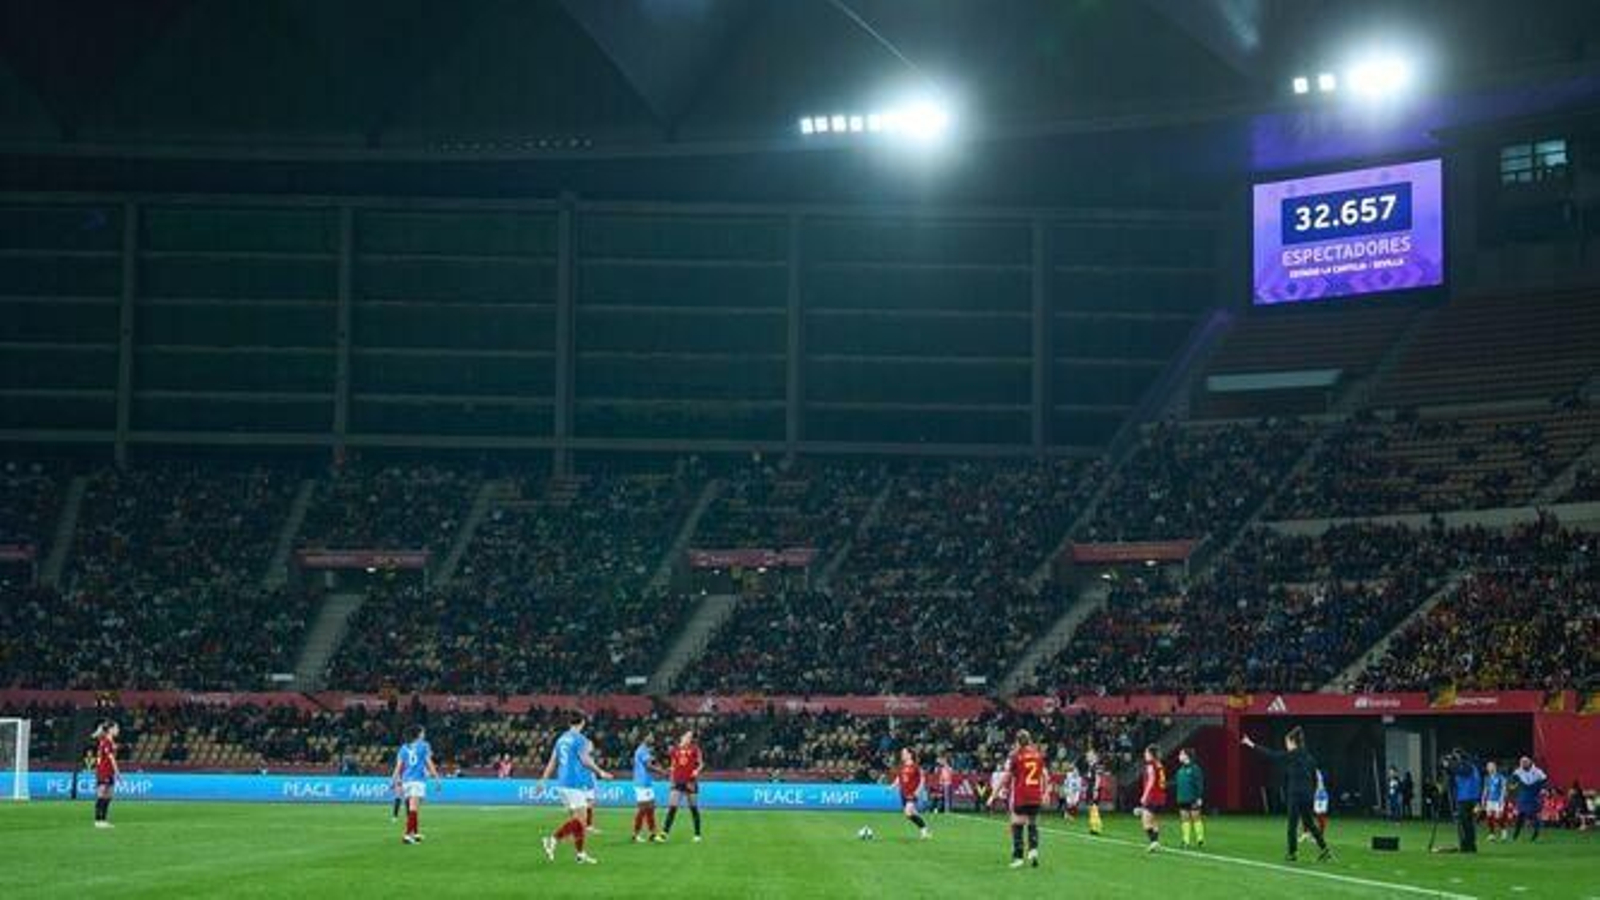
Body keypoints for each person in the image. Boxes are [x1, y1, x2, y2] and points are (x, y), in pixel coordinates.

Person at [1242, 727, 1331, 862]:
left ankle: (1292, 853)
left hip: (1295, 794)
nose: (1286, 745)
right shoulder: (1309, 757)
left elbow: (1272, 755)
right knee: (1310, 824)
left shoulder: (1293, 755)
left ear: (1292, 742)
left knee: (1292, 825)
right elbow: (1314, 776)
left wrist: (1251, 744)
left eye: (1287, 743)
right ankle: (1325, 850)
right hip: (1308, 795)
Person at [540, 714, 612, 865]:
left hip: (562, 783)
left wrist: (543, 781)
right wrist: (600, 772)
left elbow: (553, 761)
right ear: (583, 723)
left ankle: (580, 854)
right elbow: (585, 760)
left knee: (577, 821)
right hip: (574, 783)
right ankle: (553, 839)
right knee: (581, 821)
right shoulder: (580, 739)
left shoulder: (561, 739)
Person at [997, 730, 1049, 868]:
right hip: (1036, 795)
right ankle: (1033, 850)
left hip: (1022, 795)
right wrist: (1045, 793)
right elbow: (1045, 775)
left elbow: (1007, 776)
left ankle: (1018, 857)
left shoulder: (1016, 757)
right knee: (1033, 822)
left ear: (1018, 742)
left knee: (1017, 823)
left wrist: (993, 794)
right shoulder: (1038, 755)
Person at [390, 725, 441, 845]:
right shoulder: (424, 745)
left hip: (406, 780)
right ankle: (407, 835)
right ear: (418, 734)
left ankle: (416, 833)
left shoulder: (404, 747)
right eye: (423, 733)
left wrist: (393, 780)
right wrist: (437, 779)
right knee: (413, 808)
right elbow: (429, 763)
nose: (424, 735)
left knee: (414, 808)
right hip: (417, 780)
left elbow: (399, 766)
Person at [662, 730, 704, 842]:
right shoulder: (675, 750)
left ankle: (697, 834)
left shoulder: (695, 749)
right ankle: (664, 833)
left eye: (691, 737)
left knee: (693, 808)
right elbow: (673, 765)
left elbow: (701, 764)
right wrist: (671, 777)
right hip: (678, 781)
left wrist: (697, 771)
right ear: (682, 737)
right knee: (672, 807)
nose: (689, 739)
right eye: (687, 736)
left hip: (690, 781)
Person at [890, 748, 931, 839]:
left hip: (912, 793)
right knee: (911, 814)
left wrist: (918, 791)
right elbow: (899, 778)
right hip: (903, 793)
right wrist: (892, 787)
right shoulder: (902, 766)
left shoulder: (916, 767)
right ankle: (925, 830)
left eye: (904, 753)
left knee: (908, 813)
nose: (902, 755)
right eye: (902, 753)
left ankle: (924, 830)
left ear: (909, 755)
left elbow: (922, 780)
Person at [631, 737, 666, 843]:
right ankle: (635, 834)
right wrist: (661, 771)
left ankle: (653, 834)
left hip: (646, 783)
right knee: (642, 809)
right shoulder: (642, 750)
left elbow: (650, 764)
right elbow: (648, 766)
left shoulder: (646, 750)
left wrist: (659, 769)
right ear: (644, 737)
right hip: (641, 784)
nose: (652, 738)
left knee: (651, 808)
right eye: (650, 736)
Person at [1447, 751, 1481, 853]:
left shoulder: (1467, 766)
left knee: (1464, 823)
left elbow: (1463, 772)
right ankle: (1470, 845)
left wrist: (1450, 764)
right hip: (1467, 797)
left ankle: (1466, 846)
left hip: (1466, 798)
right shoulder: (1467, 766)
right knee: (1468, 823)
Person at [1509, 756, 1546, 842]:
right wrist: (1512, 786)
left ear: (1529, 762)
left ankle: (1536, 833)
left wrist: (1543, 789)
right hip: (1524, 793)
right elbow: (1513, 781)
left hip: (1534, 793)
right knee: (1520, 815)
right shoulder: (1518, 771)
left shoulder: (1537, 771)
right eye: (1522, 762)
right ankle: (1515, 835)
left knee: (1532, 815)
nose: (1523, 764)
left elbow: (1544, 780)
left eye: (1525, 762)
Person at [1174, 748, 1205, 849]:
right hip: (1182, 798)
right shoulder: (1180, 770)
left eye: (1181, 754)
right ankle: (1186, 840)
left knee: (1196, 817)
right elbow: (1176, 783)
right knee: (1184, 819)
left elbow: (1199, 783)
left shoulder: (1195, 768)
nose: (1179, 756)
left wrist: (1199, 797)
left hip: (1193, 798)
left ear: (1187, 756)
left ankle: (1200, 839)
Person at [91, 721, 120, 830]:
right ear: (111, 730)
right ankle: (98, 820)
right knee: (102, 794)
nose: (118, 730)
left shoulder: (109, 741)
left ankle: (103, 820)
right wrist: (118, 772)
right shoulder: (106, 742)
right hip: (104, 771)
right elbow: (111, 758)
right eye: (116, 728)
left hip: (109, 771)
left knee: (109, 795)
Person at [1137, 745, 1166, 853]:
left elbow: (1151, 780)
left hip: (1152, 796)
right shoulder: (1159, 764)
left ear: (1150, 754)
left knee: (1145, 821)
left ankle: (1153, 842)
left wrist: (1144, 795)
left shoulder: (1151, 765)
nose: (1145, 755)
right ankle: (1155, 843)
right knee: (1154, 820)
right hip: (1161, 796)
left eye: (1146, 753)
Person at [1481, 761, 1508, 842]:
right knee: (1489, 817)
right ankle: (1491, 834)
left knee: (1498, 817)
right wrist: (1483, 798)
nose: (1489, 768)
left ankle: (1503, 832)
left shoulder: (1501, 777)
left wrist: (1501, 799)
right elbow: (1485, 789)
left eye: (1490, 766)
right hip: (1490, 800)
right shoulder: (1487, 778)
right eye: (1488, 767)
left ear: (1495, 767)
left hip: (1498, 800)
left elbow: (1503, 789)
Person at [1302, 769, 1330, 843]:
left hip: (1322, 797)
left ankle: (1320, 836)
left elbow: (1319, 784)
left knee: (1320, 816)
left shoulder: (1316, 773)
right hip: (1315, 796)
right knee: (1306, 813)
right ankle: (1306, 833)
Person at [1061, 757, 1084, 822]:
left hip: (1075, 790)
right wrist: (1066, 790)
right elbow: (1066, 783)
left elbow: (1079, 783)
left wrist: (1078, 790)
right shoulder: (1068, 774)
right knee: (1069, 803)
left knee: (1074, 803)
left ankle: (1071, 815)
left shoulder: (1078, 776)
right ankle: (1067, 814)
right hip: (1070, 790)